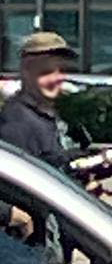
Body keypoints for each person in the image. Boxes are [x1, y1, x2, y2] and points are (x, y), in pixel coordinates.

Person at [0, 32, 81, 239]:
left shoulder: (49, 119)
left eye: (62, 70)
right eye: (47, 72)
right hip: (24, 256)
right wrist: (11, 215)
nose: (58, 79)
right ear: (26, 71)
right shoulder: (16, 124)